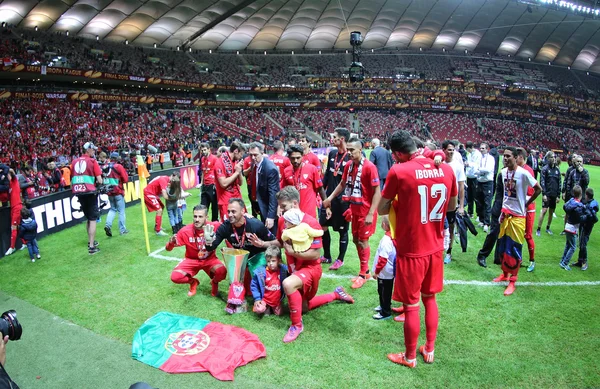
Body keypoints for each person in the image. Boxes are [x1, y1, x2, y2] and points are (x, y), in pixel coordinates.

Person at [378, 130, 457, 368]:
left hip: (413, 248)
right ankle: (429, 349)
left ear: (397, 153)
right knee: (429, 298)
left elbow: (382, 208)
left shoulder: (399, 171)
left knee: (411, 304)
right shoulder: (445, 169)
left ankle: (410, 356)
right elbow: (451, 206)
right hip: (435, 245)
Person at [247, 186, 355, 343]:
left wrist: (293, 253)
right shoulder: (284, 220)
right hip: (295, 269)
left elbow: (316, 254)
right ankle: (336, 294)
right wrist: (263, 243)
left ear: (295, 203)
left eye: (283, 206)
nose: (281, 210)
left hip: (310, 269)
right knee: (303, 308)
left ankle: (296, 326)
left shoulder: (311, 223)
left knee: (288, 284)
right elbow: (280, 242)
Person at [323, 137, 381, 289]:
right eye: (347, 150)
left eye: (352, 150)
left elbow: (377, 192)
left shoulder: (369, 167)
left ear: (360, 151)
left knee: (363, 241)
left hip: (366, 211)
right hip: (354, 209)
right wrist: (329, 198)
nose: (349, 152)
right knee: (356, 240)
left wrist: (371, 213)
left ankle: (363, 273)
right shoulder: (349, 165)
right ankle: (365, 271)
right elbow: (342, 184)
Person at [204, 198, 276, 312]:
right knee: (236, 273)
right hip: (241, 259)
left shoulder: (255, 225)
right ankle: (236, 301)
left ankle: (267, 302)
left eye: (233, 211)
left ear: (243, 211)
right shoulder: (225, 227)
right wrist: (208, 241)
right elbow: (211, 247)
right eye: (228, 212)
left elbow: (276, 243)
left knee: (260, 276)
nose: (230, 215)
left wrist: (262, 244)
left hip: (256, 256)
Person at [493, 147, 541, 296]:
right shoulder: (502, 173)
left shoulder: (523, 173)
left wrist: (527, 203)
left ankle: (513, 281)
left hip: (518, 217)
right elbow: (506, 196)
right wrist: (501, 211)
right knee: (502, 247)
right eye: (504, 156)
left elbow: (538, 189)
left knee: (514, 249)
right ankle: (504, 274)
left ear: (516, 157)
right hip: (505, 215)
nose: (505, 158)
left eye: (508, 156)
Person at [166, 205, 227, 297]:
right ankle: (193, 282)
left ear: (206, 217)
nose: (197, 219)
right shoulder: (185, 231)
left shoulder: (215, 226)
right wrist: (170, 243)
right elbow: (168, 249)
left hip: (210, 259)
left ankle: (214, 282)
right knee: (175, 277)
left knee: (222, 272)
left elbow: (230, 226)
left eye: (200, 217)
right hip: (191, 260)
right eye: (195, 216)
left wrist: (246, 215)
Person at [319, 128, 351, 268]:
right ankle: (327, 255)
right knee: (323, 225)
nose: (332, 138)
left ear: (342, 138)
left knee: (342, 230)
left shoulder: (351, 157)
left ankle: (340, 259)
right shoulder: (332, 153)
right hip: (328, 198)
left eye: (335, 136)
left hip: (342, 201)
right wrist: (320, 191)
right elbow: (327, 175)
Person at [71, 142, 103, 255]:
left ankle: (91, 241)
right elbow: (100, 180)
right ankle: (91, 246)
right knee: (93, 219)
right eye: (93, 149)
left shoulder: (74, 162)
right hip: (90, 192)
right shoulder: (92, 161)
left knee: (89, 218)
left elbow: (72, 178)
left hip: (79, 193)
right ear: (88, 150)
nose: (94, 151)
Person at [441, 140, 466, 264]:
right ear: (443, 150)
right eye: (449, 149)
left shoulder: (458, 165)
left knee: (450, 227)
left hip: (452, 203)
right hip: (439, 202)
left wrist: (461, 206)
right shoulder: (438, 163)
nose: (451, 152)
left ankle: (449, 252)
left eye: (453, 150)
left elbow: (461, 186)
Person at [247, 142, 279, 234]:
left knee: (271, 237)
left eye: (255, 155)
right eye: (251, 155)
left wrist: (271, 216)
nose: (253, 157)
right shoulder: (254, 165)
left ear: (262, 153)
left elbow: (274, 194)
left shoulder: (270, 169)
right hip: (259, 206)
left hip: (267, 209)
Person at [287, 144, 327, 219]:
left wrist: (326, 206)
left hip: (309, 215)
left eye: (298, 158)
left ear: (302, 156)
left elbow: (320, 188)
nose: (295, 161)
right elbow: (283, 191)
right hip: (292, 215)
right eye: (293, 158)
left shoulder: (312, 169)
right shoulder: (287, 171)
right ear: (289, 158)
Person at [476, 170, 505, 268]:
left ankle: (498, 258)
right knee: (494, 233)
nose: (505, 158)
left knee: (504, 234)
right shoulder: (503, 173)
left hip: (509, 208)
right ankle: (482, 255)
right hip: (500, 207)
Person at [516, 148, 537, 272]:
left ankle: (532, 260)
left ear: (521, 157)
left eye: (516, 157)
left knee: (527, 235)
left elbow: (530, 191)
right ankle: (519, 259)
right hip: (520, 207)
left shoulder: (528, 170)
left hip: (528, 208)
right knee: (518, 234)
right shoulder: (518, 169)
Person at [251, 246, 289, 316]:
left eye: (273, 261)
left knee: (279, 314)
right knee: (262, 311)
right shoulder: (260, 272)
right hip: (265, 300)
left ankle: (275, 306)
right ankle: (265, 307)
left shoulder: (284, 270)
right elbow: (254, 286)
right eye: (268, 261)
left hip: (277, 300)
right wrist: (257, 299)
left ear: (279, 261)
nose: (270, 263)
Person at [99, 152, 129, 237]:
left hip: (109, 192)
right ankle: (122, 230)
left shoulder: (104, 166)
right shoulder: (118, 166)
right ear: (117, 158)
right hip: (118, 191)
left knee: (112, 209)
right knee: (121, 211)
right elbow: (126, 179)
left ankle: (108, 225)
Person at [372, 215, 396, 320]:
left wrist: (377, 271)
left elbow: (383, 259)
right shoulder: (392, 236)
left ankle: (385, 312)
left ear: (384, 225)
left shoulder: (387, 240)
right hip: (387, 272)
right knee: (383, 290)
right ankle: (384, 306)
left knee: (384, 291)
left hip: (385, 272)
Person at [214, 141, 245, 221]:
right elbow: (223, 183)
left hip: (238, 198)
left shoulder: (236, 161)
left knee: (242, 223)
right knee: (228, 226)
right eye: (241, 154)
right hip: (226, 200)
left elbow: (241, 183)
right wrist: (237, 172)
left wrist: (239, 171)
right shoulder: (220, 162)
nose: (241, 157)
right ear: (236, 151)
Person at [537, 151, 561, 236]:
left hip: (554, 194)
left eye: (554, 157)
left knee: (551, 212)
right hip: (547, 194)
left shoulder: (557, 170)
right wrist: (544, 194)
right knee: (544, 210)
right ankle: (538, 229)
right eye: (552, 157)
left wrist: (558, 195)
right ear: (548, 159)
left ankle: (548, 227)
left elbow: (559, 183)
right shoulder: (545, 169)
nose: (554, 159)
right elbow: (542, 182)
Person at [574, 188, 598, 271]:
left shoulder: (590, 205)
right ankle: (580, 261)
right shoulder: (592, 203)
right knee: (581, 243)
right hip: (585, 226)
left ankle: (584, 262)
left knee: (583, 244)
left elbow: (593, 218)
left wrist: (582, 218)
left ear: (586, 195)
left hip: (586, 227)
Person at [475, 142, 495, 233]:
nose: (481, 150)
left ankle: (487, 223)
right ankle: (482, 220)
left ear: (487, 149)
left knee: (487, 202)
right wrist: (478, 170)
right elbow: (476, 168)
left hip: (488, 182)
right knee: (479, 202)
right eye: (480, 148)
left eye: (483, 148)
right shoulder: (479, 158)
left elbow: (488, 169)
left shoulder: (491, 158)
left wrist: (479, 170)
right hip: (480, 182)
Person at [4, 169, 22, 256]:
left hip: (17, 207)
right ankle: (25, 243)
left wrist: (5, 170)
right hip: (13, 208)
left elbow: (12, 171)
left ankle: (12, 247)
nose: (7, 177)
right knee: (18, 226)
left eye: (8, 175)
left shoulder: (14, 181)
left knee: (13, 227)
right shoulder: (9, 186)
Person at [199, 143, 219, 221]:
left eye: (205, 150)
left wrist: (216, 183)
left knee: (214, 206)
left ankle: (215, 222)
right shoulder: (202, 159)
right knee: (203, 206)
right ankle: (203, 222)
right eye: (202, 150)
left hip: (212, 185)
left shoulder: (214, 158)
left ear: (209, 149)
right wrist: (201, 183)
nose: (203, 151)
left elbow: (218, 171)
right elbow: (203, 172)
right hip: (205, 186)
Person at [464, 141, 481, 218]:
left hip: (475, 177)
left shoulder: (477, 154)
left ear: (470, 148)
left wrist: (469, 164)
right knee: (469, 195)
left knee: (476, 196)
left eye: (468, 149)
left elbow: (477, 165)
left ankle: (478, 214)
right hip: (469, 176)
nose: (468, 151)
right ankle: (470, 212)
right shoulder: (469, 154)